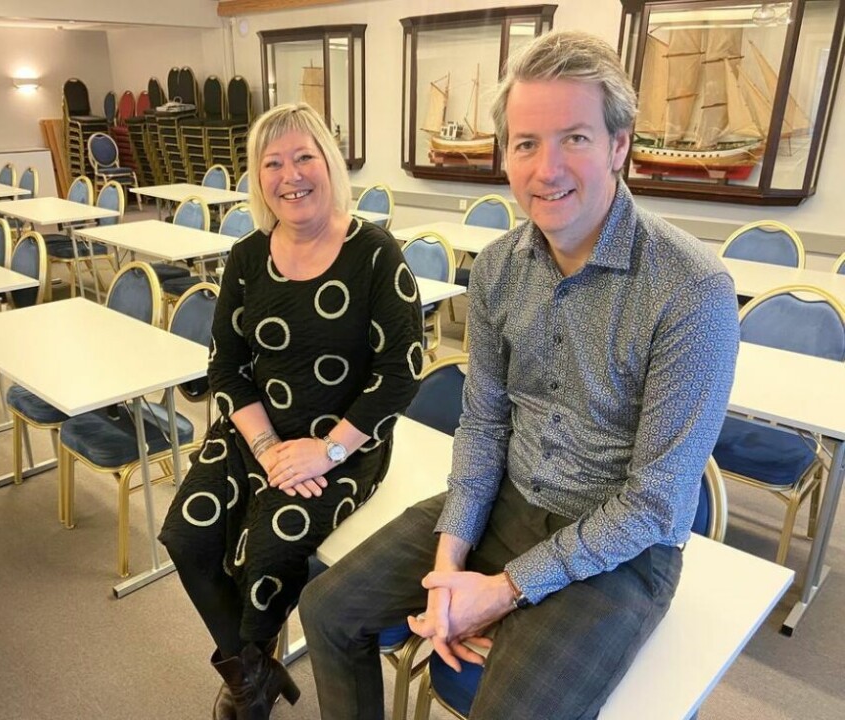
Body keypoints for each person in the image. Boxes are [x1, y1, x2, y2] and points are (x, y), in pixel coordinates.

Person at [300, 30, 740, 719]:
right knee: (326, 610)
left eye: (576, 138)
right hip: (506, 502)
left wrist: (500, 589)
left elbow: (656, 503)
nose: (546, 168)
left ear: (620, 145)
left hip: (623, 551)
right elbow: (483, 423)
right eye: (526, 143)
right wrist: (449, 568)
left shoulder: (691, 289)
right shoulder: (500, 267)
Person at [158, 103, 424, 719]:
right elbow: (225, 368)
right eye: (272, 162)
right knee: (186, 537)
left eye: (304, 156)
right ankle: (253, 670)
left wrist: (326, 450)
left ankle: (247, 676)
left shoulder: (376, 253)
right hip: (257, 431)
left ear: (329, 164)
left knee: (267, 552)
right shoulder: (248, 256)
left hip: (346, 439)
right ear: (259, 178)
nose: (290, 174)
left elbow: (400, 373)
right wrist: (267, 448)